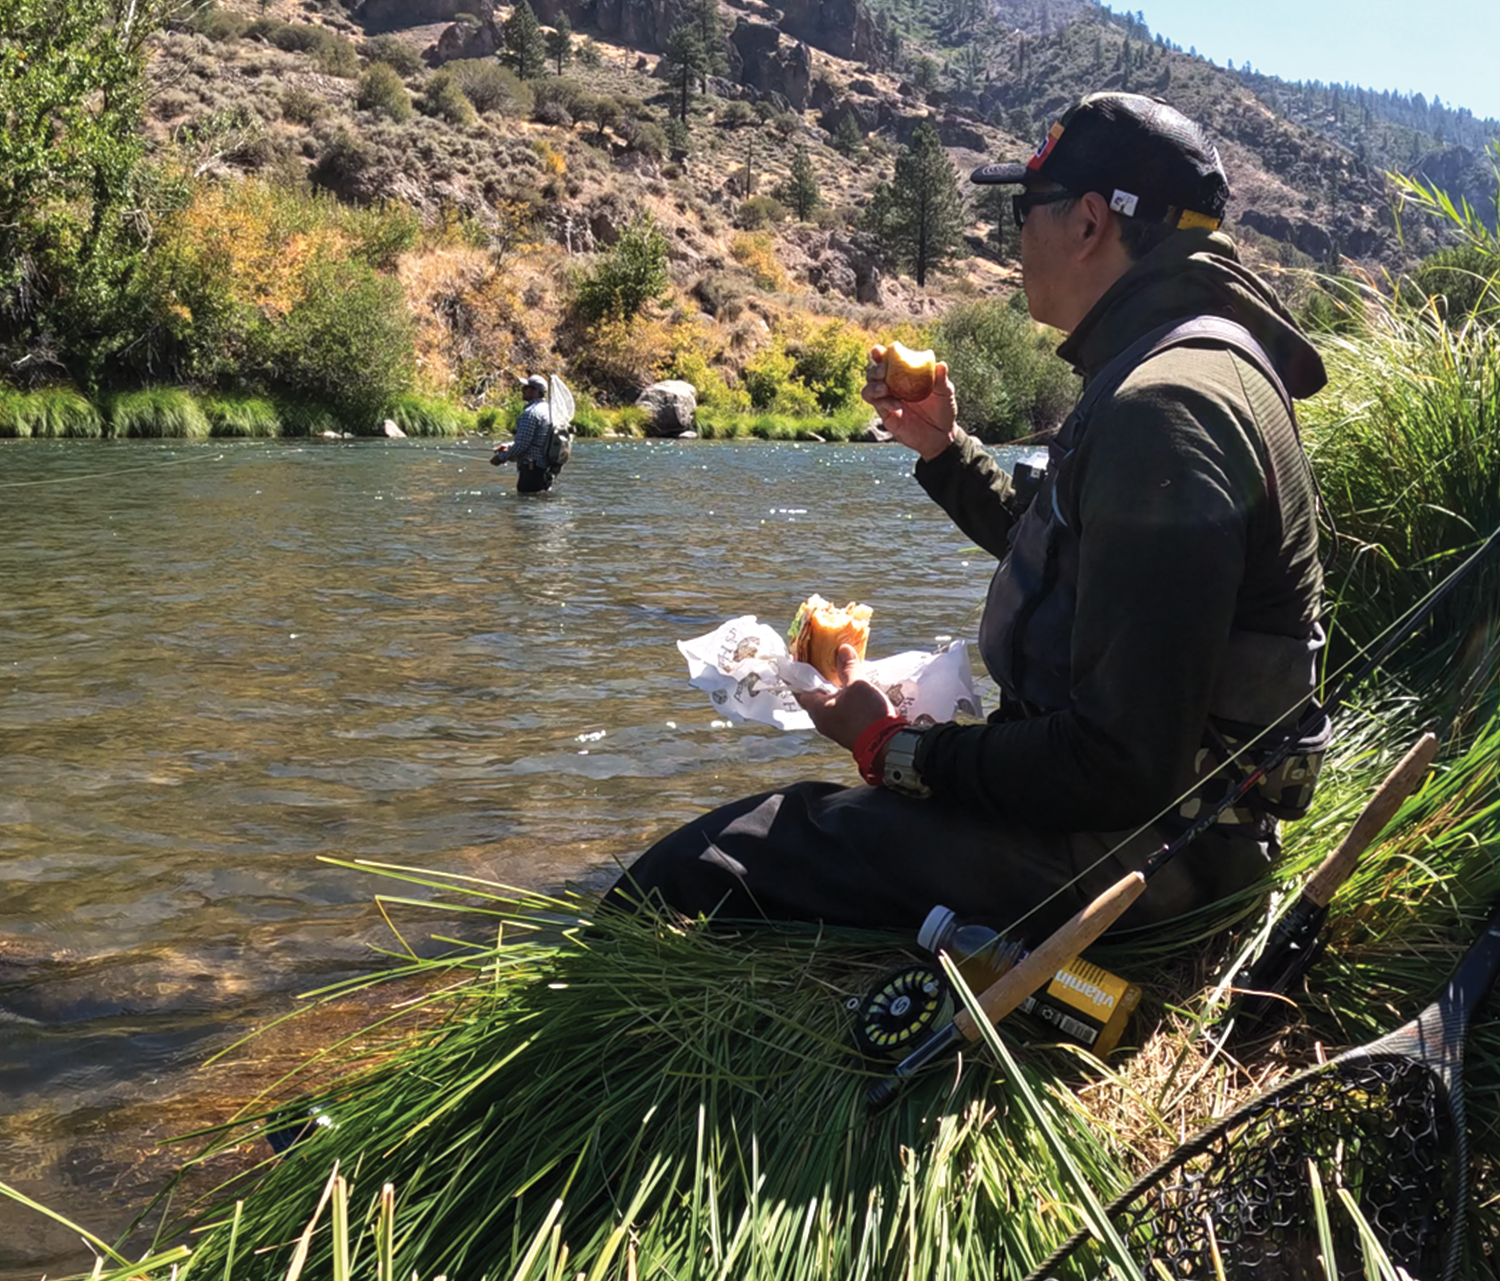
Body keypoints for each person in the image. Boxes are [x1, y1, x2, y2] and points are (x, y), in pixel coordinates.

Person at [605, 91, 1329, 940]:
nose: (1014, 234)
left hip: (1152, 866)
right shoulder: (1192, 366)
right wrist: (946, 453)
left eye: (1027, 209)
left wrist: (894, 749)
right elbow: (1081, 553)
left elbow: (1119, 765)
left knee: (692, 870)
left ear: (1090, 221)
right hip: (1174, 834)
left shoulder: (1163, 409)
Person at [491, 375, 556, 494]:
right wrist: (508, 445)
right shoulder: (548, 410)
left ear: (535, 391)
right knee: (539, 504)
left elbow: (522, 445)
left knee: (526, 505)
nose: (523, 390)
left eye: (526, 387)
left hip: (531, 470)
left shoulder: (530, 413)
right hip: (545, 468)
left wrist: (500, 458)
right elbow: (535, 439)